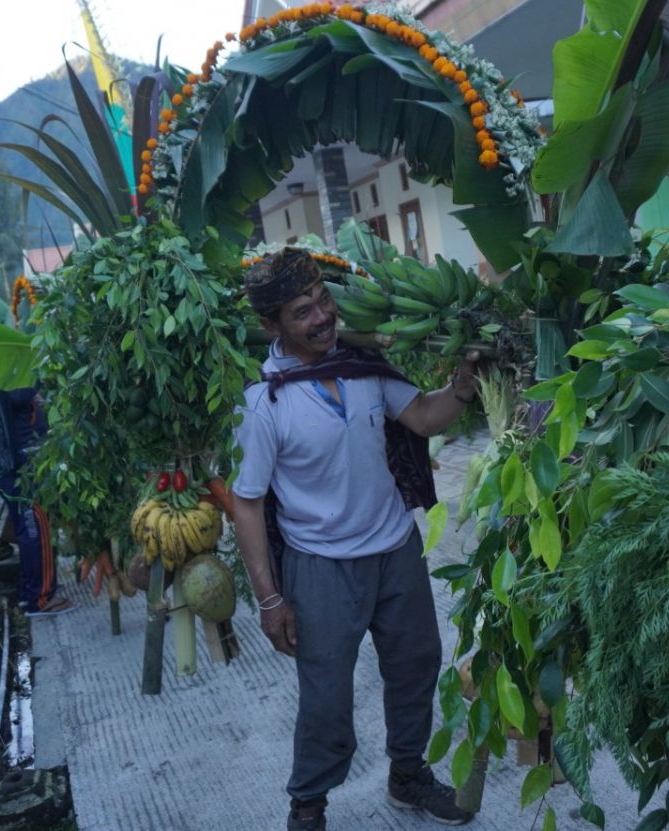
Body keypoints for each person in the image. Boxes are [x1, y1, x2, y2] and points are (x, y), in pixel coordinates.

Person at [231, 248, 480, 831]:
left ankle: (408, 775)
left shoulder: (363, 367)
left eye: (323, 300)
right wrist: (269, 599)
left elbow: (419, 415)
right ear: (272, 326)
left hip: (394, 549)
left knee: (417, 664)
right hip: (320, 568)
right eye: (302, 312)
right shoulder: (264, 403)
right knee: (326, 698)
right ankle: (309, 804)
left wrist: (464, 385)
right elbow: (246, 503)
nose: (322, 317)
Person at [0, 381, 72, 616]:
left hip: (0, 461)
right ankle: (41, 598)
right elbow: (18, 395)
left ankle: (31, 591)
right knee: (35, 526)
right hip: (13, 463)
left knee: (27, 525)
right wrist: (39, 379)